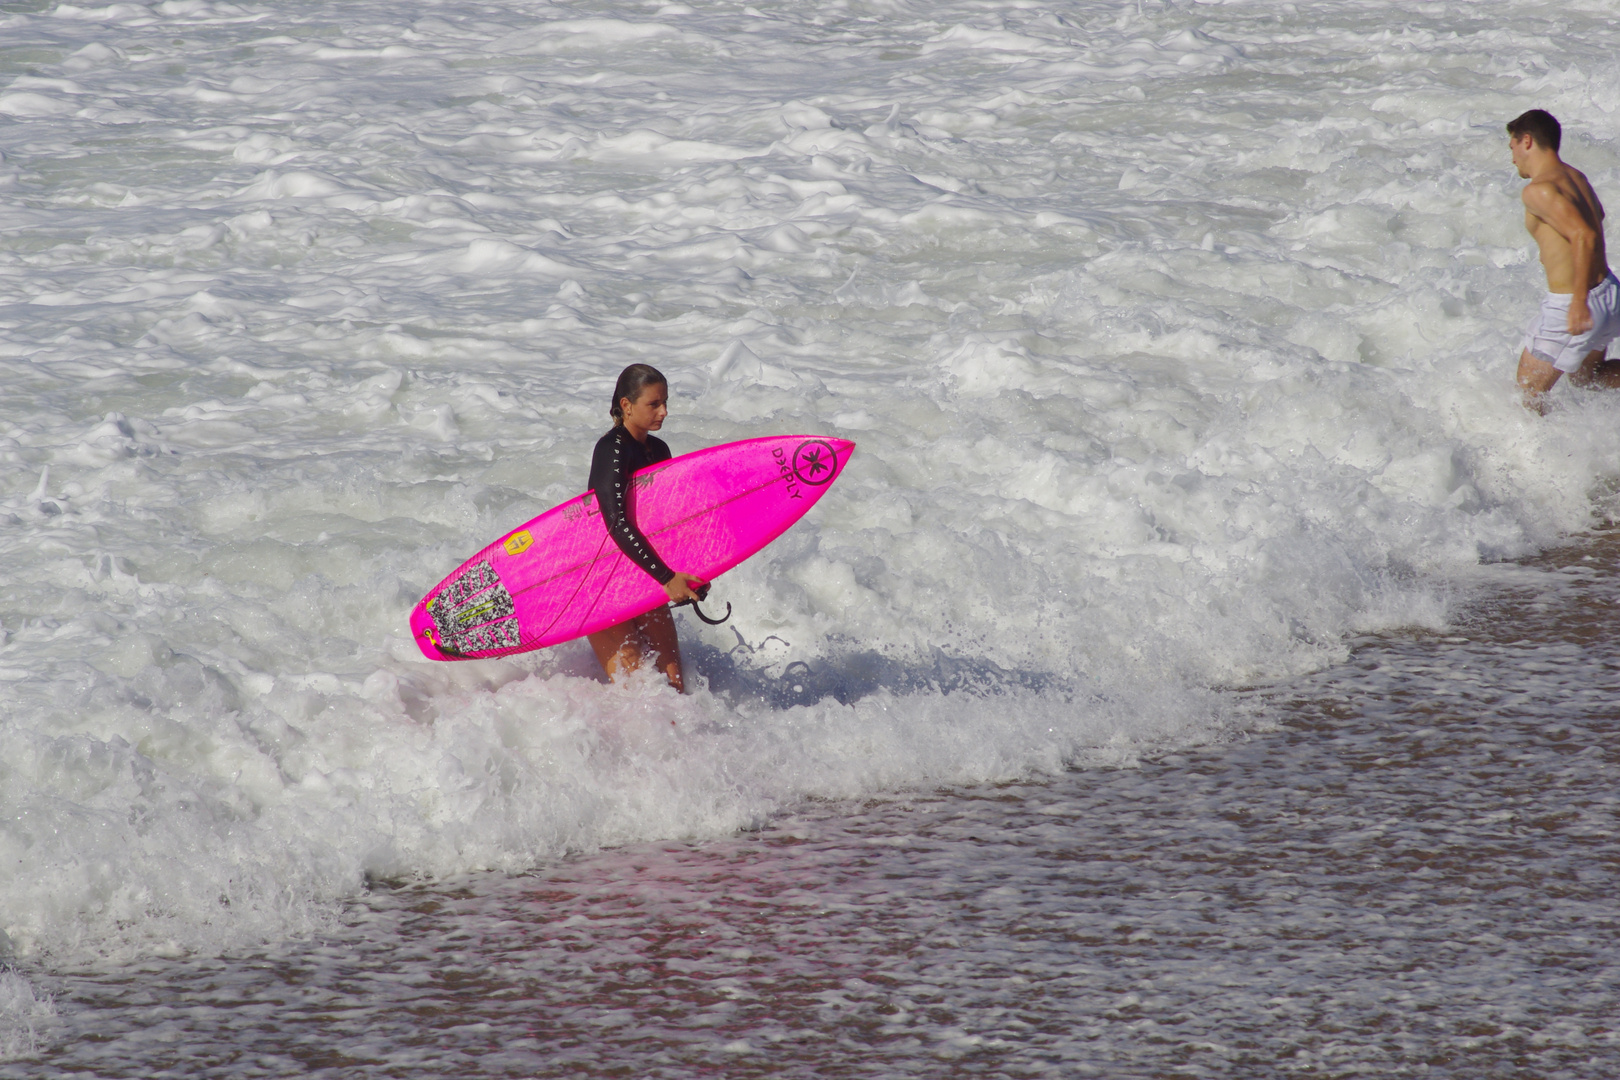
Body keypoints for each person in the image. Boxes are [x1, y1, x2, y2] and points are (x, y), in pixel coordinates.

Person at [585, 364, 706, 691]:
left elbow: (666, 525)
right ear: (626, 406)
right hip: (601, 588)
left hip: (641, 579)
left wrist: (688, 575)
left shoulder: (659, 450)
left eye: (665, 402)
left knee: (676, 689)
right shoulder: (611, 449)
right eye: (654, 404)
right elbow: (614, 522)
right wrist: (667, 577)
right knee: (643, 695)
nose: (664, 412)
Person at [1507, 109, 1620, 413]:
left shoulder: (1538, 190)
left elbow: (1584, 235)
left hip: (1575, 301)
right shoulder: (1575, 176)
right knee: (1590, 378)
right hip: (1608, 292)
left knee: (1529, 392)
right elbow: (1598, 217)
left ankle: (1534, 460)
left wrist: (1580, 301)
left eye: (1512, 147)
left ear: (1527, 141)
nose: (1512, 158)